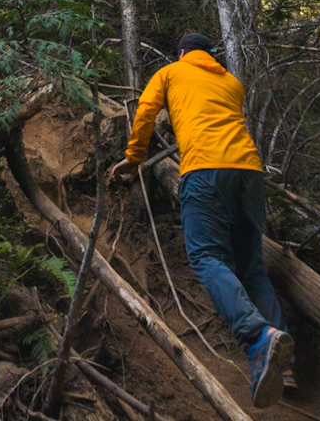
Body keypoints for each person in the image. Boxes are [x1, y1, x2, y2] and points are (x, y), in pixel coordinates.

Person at [111, 31, 294, 408]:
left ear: (181, 53)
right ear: (210, 54)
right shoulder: (231, 82)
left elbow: (145, 111)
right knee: (252, 267)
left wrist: (134, 158)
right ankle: (285, 362)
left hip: (206, 172)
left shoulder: (171, 72)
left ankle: (258, 337)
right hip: (250, 173)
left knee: (207, 256)